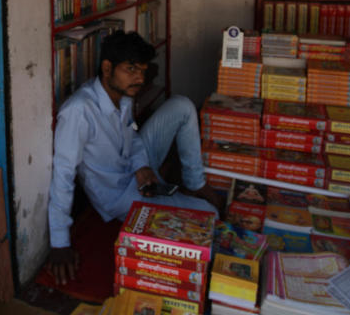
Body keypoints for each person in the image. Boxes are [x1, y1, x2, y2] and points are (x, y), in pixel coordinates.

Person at [47, 30, 220, 285]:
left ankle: (195, 183)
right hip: (120, 193)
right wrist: (59, 243)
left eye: (142, 70)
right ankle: (177, 201)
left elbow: (134, 137)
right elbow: (62, 176)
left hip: (136, 167)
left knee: (182, 105)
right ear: (107, 68)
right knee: (211, 216)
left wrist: (142, 166)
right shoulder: (78, 111)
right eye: (131, 69)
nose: (139, 78)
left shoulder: (123, 95)